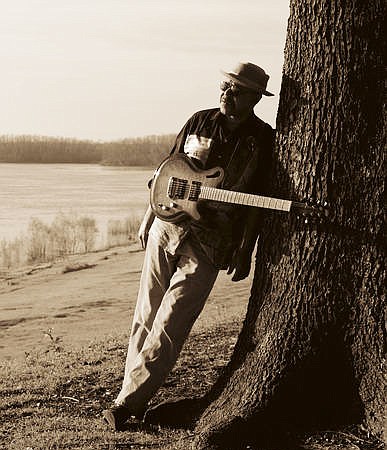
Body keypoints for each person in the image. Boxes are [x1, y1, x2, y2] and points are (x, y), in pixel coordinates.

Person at [103, 62, 275, 431]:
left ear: (256, 98)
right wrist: (149, 217)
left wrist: (245, 250)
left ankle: (128, 403)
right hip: (166, 229)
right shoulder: (199, 120)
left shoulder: (262, 139)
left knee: (170, 323)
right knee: (145, 316)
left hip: (211, 244)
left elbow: (259, 201)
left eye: (237, 91)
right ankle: (125, 400)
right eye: (224, 87)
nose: (227, 95)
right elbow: (166, 169)